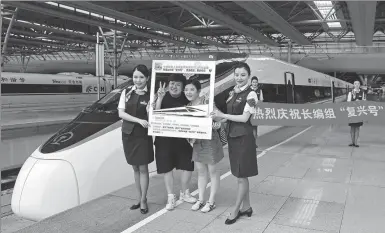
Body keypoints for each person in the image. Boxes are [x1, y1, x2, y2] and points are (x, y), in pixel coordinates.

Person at [211, 62, 258, 225]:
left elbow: (245, 118)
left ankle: (236, 209)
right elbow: (230, 115)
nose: (239, 78)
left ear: (249, 76)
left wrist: (223, 114)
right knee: (240, 174)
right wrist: (219, 119)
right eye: (236, 75)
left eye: (243, 75)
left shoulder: (251, 95)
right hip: (233, 137)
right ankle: (247, 207)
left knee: (241, 176)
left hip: (244, 139)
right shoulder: (233, 92)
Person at [154, 73, 197, 211]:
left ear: (183, 87)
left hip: (183, 139)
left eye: (178, 84)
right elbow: (155, 114)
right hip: (164, 140)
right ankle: (171, 196)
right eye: (172, 83)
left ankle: (185, 193)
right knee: (167, 168)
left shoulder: (187, 97)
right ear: (168, 84)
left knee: (187, 165)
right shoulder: (162, 96)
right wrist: (159, 98)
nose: (174, 86)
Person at [184, 79, 224, 213]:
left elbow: (219, 118)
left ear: (199, 91)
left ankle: (211, 201)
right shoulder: (188, 106)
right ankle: (201, 199)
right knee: (201, 172)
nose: (188, 92)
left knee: (213, 172)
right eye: (186, 90)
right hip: (196, 142)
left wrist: (215, 122)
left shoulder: (207, 101)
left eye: (192, 89)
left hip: (210, 141)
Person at [117, 64, 153, 214]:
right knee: (135, 168)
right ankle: (138, 198)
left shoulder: (151, 95)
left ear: (147, 78)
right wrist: (138, 120)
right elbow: (121, 113)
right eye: (135, 77)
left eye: (141, 77)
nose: (138, 80)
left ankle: (144, 199)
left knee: (143, 168)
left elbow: (153, 116)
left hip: (143, 136)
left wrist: (150, 110)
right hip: (128, 135)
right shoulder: (126, 92)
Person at [347, 80, 366, 147]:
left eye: (358, 83)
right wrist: (355, 102)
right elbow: (348, 102)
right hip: (352, 111)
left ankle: (356, 142)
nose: (357, 85)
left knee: (357, 127)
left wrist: (360, 102)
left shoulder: (362, 92)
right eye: (355, 83)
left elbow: (364, 101)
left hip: (358, 112)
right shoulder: (350, 92)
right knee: (352, 127)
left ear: (359, 85)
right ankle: (352, 142)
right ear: (353, 85)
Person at [250, 76, 263, 147]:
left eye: (256, 82)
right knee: (248, 128)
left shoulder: (259, 91)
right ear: (251, 83)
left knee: (254, 128)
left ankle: (253, 143)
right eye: (253, 82)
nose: (254, 83)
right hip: (248, 112)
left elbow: (261, 100)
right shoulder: (248, 90)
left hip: (256, 112)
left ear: (257, 83)